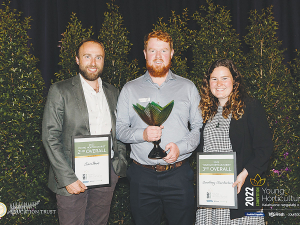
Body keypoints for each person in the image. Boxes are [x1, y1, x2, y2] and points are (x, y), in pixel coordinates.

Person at [116, 30, 202, 225]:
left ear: (172, 53)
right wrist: (142, 134)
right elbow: (120, 129)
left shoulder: (188, 88)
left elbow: (197, 128)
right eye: (152, 51)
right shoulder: (130, 89)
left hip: (179, 175)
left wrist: (182, 147)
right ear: (145, 53)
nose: (158, 56)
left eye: (163, 51)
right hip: (142, 177)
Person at [42, 39, 127, 225]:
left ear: (104, 61)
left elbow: (120, 131)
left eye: (98, 57)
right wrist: (66, 178)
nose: (93, 62)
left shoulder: (113, 93)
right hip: (72, 177)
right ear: (77, 60)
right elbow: (50, 137)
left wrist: (118, 165)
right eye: (87, 56)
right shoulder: (60, 91)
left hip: (106, 175)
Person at [196, 59, 273, 224]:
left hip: (243, 189)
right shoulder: (204, 112)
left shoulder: (250, 107)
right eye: (214, 79)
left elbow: (264, 148)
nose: (219, 83)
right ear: (208, 83)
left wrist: (245, 174)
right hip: (211, 196)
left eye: (225, 78)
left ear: (235, 81)